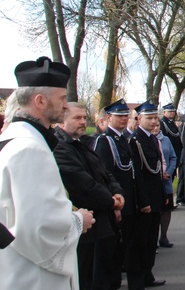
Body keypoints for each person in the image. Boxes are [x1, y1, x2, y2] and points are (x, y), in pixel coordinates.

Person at [0, 56, 95, 289]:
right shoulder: (29, 148)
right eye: (62, 98)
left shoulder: (15, 138)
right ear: (40, 101)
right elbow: (36, 226)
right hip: (34, 275)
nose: (66, 105)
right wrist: (77, 220)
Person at [54, 102, 125, 290]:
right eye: (77, 118)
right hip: (86, 228)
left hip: (102, 223)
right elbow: (83, 185)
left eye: (85, 117)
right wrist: (111, 201)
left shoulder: (82, 144)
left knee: (103, 277)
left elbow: (105, 174)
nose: (83, 122)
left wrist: (118, 192)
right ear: (61, 122)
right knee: (89, 280)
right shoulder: (61, 147)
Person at [93, 97, 148, 290]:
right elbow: (105, 175)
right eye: (120, 116)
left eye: (126, 115)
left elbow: (134, 174)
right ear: (108, 118)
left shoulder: (124, 139)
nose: (124, 119)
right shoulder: (105, 141)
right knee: (117, 249)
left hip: (130, 203)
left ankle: (136, 283)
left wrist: (142, 201)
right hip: (119, 203)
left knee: (133, 246)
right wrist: (114, 204)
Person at [128, 101, 167, 289]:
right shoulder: (135, 141)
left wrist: (162, 194)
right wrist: (144, 201)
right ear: (138, 119)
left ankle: (147, 274)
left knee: (151, 241)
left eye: (155, 118)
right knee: (141, 242)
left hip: (155, 196)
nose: (153, 122)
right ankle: (137, 281)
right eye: (149, 118)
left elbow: (157, 170)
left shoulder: (152, 139)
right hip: (145, 200)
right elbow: (138, 174)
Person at [154, 120, 177, 249]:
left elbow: (173, 157)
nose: (156, 128)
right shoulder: (145, 141)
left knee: (167, 210)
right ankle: (154, 237)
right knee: (156, 210)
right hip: (155, 181)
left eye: (158, 125)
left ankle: (164, 236)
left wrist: (169, 171)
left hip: (166, 180)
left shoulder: (166, 140)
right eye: (154, 125)